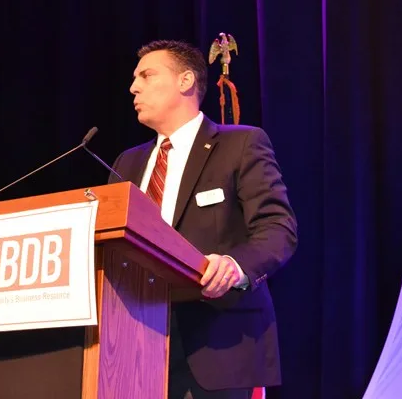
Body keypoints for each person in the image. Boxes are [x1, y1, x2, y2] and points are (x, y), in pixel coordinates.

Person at [108, 40, 298, 399]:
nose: (133, 87)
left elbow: (277, 229)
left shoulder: (241, 144)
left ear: (185, 81)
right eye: (134, 78)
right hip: (135, 347)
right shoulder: (126, 162)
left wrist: (234, 266)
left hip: (218, 344)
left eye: (146, 75)